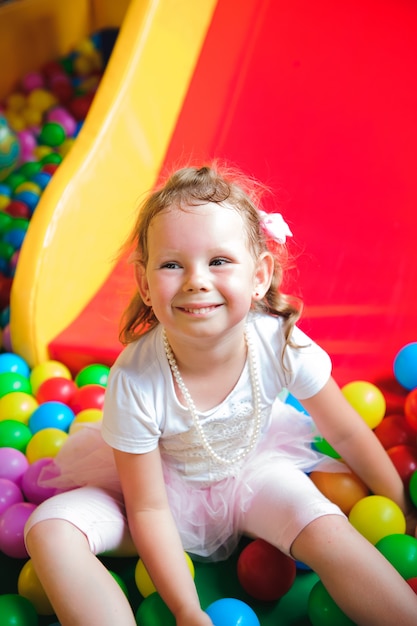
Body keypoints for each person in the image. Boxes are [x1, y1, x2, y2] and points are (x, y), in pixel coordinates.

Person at [25, 164, 417, 626]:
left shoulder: (281, 342)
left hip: (255, 474)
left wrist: (401, 508)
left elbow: (348, 432)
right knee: (48, 529)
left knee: (331, 531)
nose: (196, 280)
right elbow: (148, 508)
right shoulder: (135, 378)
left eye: (219, 261)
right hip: (160, 498)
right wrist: (187, 609)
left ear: (260, 276)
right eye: (172, 264)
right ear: (145, 284)